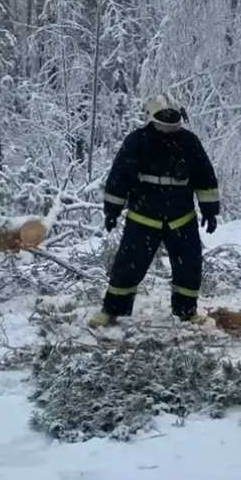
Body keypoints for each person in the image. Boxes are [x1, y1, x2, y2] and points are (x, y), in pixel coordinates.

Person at [88, 94, 221, 327]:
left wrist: (210, 210)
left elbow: (204, 176)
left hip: (181, 217)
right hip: (143, 217)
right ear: (150, 116)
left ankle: (187, 311)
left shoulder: (189, 142)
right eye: (164, 115)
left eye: (172, 115)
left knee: (189, 266)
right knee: (128, 265)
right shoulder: (137, 141)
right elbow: (119, 178)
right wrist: (112, 210)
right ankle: (111, 310)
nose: (168, 119)